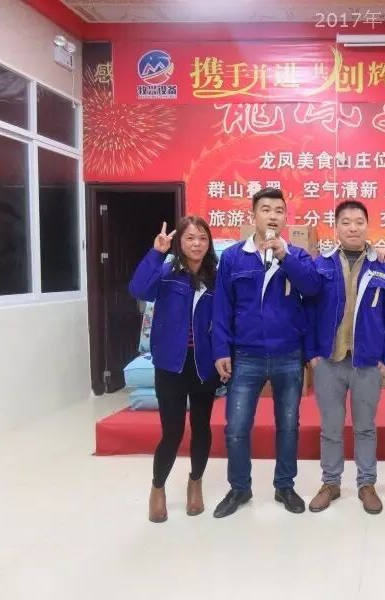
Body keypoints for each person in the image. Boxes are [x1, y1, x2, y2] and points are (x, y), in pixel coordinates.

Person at [211, 187, 321, 518]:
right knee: (236, 427)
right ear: (253, 215)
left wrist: (285, 257)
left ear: (286, 218)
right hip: (246, 356)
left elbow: (313, 288)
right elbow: (222, 307)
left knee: (288, 425)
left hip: (288, 354)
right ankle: (239, 488)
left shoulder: (297, 256)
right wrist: (221, 349)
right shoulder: (233, 257)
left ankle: (284, 486)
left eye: (279, 211)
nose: (273, 216)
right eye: (266, 210)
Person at [304, 200, 385, 515]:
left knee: (365, 427)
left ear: (367, 226)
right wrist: (312, 353)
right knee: (331, 428)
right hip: (329, 361)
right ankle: (330, 483)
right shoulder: (321, 264)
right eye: (345, 222)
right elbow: (307, 312)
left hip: (367, 362)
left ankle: (366, 484)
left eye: (359, 222)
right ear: (336, 227)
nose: (352, 228)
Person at [128, 217, 220, 523]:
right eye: (190, 238)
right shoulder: (167, 273)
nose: (197, 244)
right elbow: (138, 289)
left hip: (204, 365)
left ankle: (196, 483)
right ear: (179, 243)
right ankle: (158, 488)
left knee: (202, 428)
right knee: (172, 432)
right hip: (171, 365)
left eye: (202, 238)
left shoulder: (216, 278)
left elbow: (224, 321)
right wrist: (156, 253)